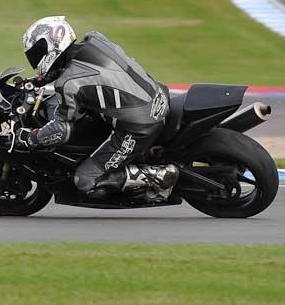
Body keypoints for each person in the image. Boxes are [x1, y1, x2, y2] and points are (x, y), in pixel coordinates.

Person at [16, 15, 178, 202]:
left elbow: (62, 130)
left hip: (141, 126)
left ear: (52, 46)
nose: (36, 59)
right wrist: (41, 79)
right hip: (157, 97)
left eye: (37, 53)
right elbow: (88, 74)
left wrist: (30, 137)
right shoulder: (95, 39)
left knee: (84, 180)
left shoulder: (68, 84)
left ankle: (161, 175)